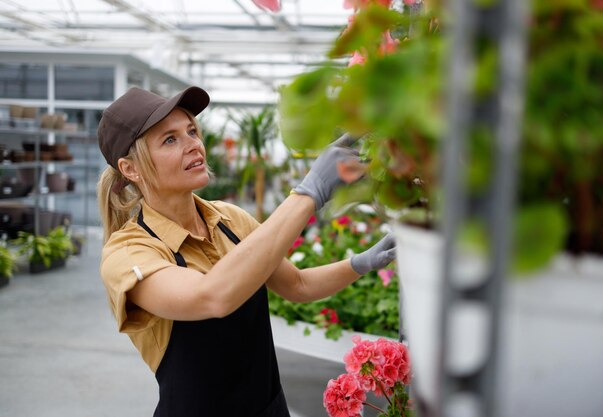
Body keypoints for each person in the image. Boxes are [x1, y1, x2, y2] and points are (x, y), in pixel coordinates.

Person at [96, 86, 395, 417]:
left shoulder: (229, 219)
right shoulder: (128, 252)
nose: (194, 144)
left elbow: (297, 285)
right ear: (131, 169)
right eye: (170, 139)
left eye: (192, 130)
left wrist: (363, 262)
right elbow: (212, 297)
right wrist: (310, 192)